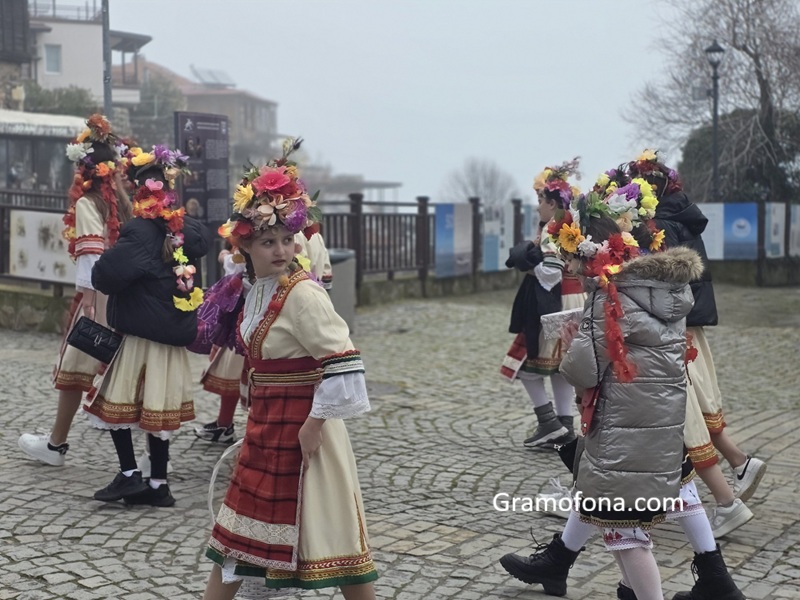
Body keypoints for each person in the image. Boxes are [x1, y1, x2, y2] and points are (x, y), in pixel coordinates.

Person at [202, 139, 377, 599]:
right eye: (267, 242)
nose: (280, 250)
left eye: (286, 240)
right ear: (245, 245)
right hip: (266, 426)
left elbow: (344, 362)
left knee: (337, 543)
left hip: (304, 431)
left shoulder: (302, 293)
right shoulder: (256, 289)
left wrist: (314, 426)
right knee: (234, 540)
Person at [629, 150, 766, 537]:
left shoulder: (660, 225)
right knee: (697, 405)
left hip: (675, 330)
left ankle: (724, 499)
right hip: (690, 325)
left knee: (684, 412)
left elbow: (662, 289)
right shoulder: (681, 216)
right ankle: (739, 464)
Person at [84, 144, 210, 507]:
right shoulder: (185, 228)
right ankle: (158, 484)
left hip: (141, 334)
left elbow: (104, 276)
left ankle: (129, 475)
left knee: (118, 402)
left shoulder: (140, 231)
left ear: (141, 192)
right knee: (158, 407)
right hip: (171, 334)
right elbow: (201, 241)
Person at [18, 114, 132, 467]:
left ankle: (56, 445)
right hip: (125, 298)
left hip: (98, 300)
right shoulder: (121, 204)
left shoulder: (87, 204)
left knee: (74, 371)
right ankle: (152, 459)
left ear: (83, 169)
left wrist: (89, 304)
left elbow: (90, 255)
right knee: (125, 372)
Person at [500, 159, 585, 448]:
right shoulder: (575, 223)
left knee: (524, 364)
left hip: (554, 301)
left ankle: (549, 422)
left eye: (540, 200)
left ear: (552, 203)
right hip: (577, 298)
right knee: (561, 367)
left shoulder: (553, 227)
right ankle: (565, 427)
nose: (537, 207)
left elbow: (551, 273)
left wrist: (527, 265)